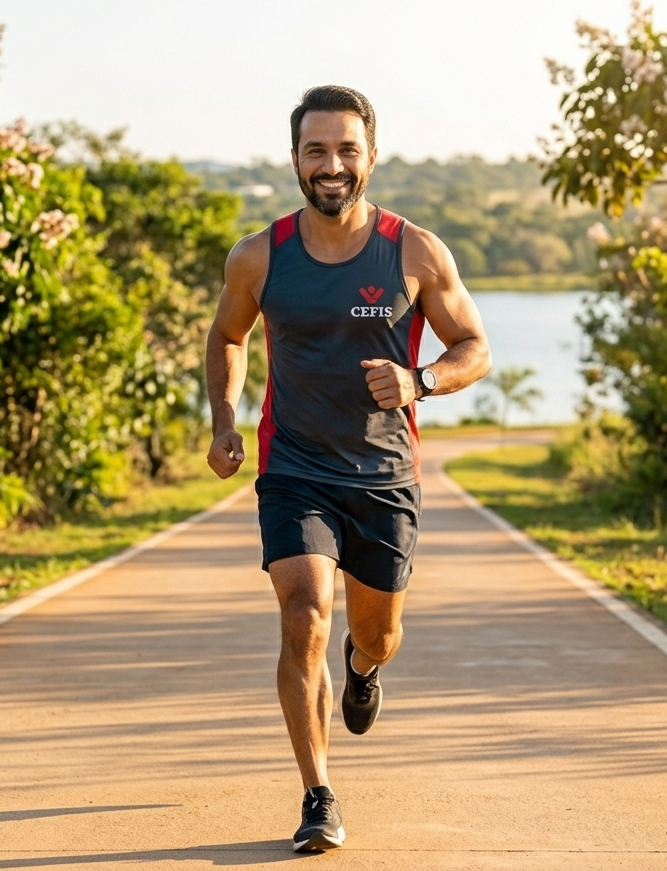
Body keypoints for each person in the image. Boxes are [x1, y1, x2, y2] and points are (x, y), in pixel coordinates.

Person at [205, 85, 491, 853]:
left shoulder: (415, 251)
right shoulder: (260, 254)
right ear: (296, 158)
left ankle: (364, 670)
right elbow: (228, 337)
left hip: (385, 475)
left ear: (370, 155)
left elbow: (474, 347)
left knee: (376, 631)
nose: (331, 165)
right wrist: (226, 420)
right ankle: (317, 794)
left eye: (346, 150)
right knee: (303, 614)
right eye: (316, 151)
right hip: (294, 466)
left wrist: (421, 380)